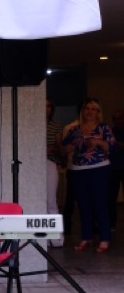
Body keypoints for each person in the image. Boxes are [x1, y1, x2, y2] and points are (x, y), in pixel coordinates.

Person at [61, 98, 116, 253]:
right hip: (78, 169)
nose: (90, 112)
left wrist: (98, 143)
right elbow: (63, 149)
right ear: (82, 111)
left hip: (99, 167)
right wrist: (67, 148)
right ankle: (86, 236)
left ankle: (104, 238)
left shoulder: (103, 128)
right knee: (83, 203)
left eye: (93, 109)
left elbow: (112, 147)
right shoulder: (74, 129)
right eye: (87, 108)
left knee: (99, 202)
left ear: (98, 112)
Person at [45, 99, 64, 247]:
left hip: (50, 162)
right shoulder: (32, 123)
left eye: (49, 106)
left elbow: (60, 146)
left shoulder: (55, 125)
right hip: (33, 165)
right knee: (36, 200)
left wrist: (51, 148)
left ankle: (56, 237)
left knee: (51, 200)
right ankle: (42, 237)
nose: (46, 109)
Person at [107, 107, 124, 232]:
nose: (117, 121)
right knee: (111, 197)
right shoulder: (111, 132)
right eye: (115, 119)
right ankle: (111, 224)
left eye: (120, 118)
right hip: (113, 168)